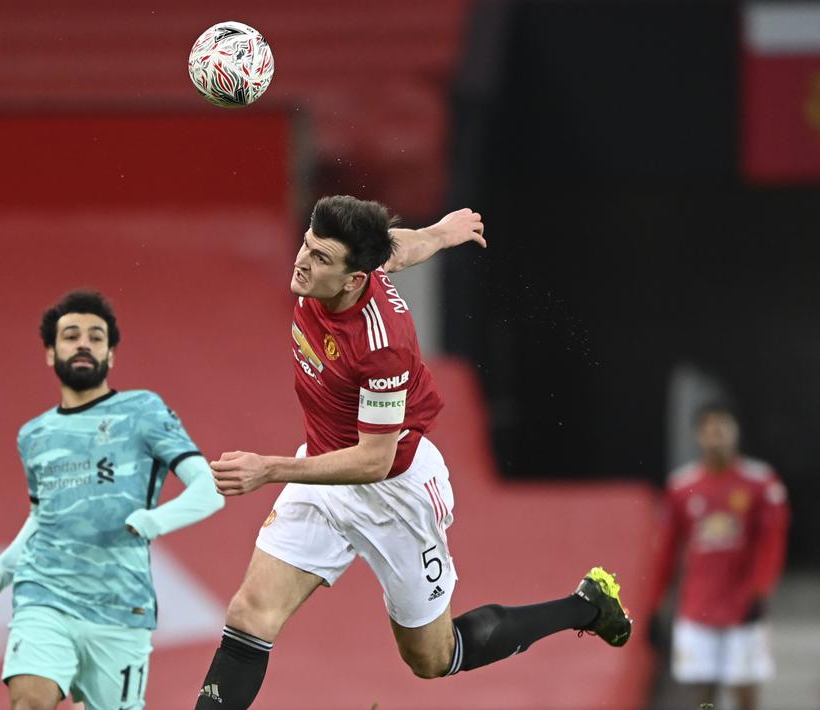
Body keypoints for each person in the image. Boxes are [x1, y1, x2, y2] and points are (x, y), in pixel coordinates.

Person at [193, 196, 633, 708]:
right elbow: (398, 248)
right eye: (306, 246)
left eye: (320, 258)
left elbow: (373, 461)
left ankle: (586, 606)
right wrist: (443, 232)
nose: (302, 262)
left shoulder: (382, 346)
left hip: (393, 493)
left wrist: (269, 469)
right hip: (324, 474)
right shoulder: (345, 270)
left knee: (432, 658)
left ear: (354, 280)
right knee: (249, 615)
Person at [0, 290, 225, 710]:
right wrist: (4, 567)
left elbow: (208, 488)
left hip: (120, 604)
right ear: (50, 354)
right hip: (46, 592)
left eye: (96, 336)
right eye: (71, 336)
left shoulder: (143, 410)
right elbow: (44, 515)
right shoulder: (33, 435)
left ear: (110, 355)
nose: (84, 343)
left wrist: (154, 520)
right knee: (29, 700)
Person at [648, 403, 789, 710]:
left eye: (723, 429)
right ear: (699, 436)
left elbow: (772, 542)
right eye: (710, 430)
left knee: (745, 692)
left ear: (735, 432)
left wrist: (760, 590)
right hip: (698, 607)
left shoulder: (760, 483)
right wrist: (657, 602)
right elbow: (667, 551)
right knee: (702, 693)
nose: (717, 437)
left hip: (742, 605)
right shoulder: (682, 486)